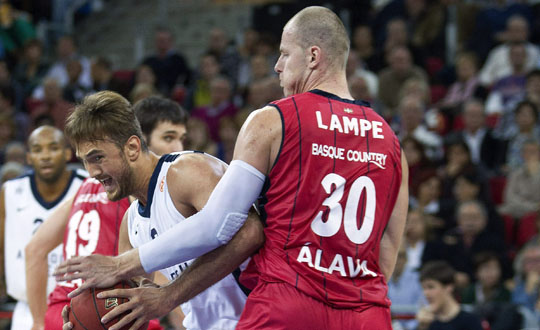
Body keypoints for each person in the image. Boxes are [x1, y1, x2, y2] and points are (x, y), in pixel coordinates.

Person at [57, 7, 408, 330]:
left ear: (313, 55)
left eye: (284, 54)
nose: (277, 66)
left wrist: (124, 267)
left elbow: (223, 225)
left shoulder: (274, 119)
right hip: (364, 309)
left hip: (289, 300)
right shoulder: (391, 142)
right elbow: (388, 247)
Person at [55, 91, 263, 330]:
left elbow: (249, 234)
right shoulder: (131, 222)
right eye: (85, 161)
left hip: (259, 319)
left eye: (97, 158)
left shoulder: (186, 171)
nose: (91, 172)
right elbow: (136, 304)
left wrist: (169, 296)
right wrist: (89, 317)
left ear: (132, 147)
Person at [25, 96, 189, 330]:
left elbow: (34, 249)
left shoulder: (86, 187)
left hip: (63, 311)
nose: (177, 149)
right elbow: (159, 273)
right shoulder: (130, 189)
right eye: (168, 138)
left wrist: (38, 323)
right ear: (137, 142)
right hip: (103, 306)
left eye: (180, 139)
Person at [0, 126, 87, 330]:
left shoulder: (87, 185)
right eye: (38, 150)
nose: (45, 156)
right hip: (26, 308)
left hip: (78, 305)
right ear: (29, 157)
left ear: (68, 153)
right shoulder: (11, 192)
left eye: (53, 148)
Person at [416, 260, 483, 330]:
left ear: (448, 287)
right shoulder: (426, 322)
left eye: (431, 287)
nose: (425, 293)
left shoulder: (471, 321)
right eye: (423, 288)